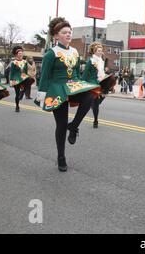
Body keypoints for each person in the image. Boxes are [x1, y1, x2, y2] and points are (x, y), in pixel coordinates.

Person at [35, 17, 100, 172]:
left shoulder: (75, 51)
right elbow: (44, 76)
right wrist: (41, 95)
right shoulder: (51, 54)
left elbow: (76, 73)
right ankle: (61, 157)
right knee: (61, 125)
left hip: (72, 85)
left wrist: (82, 86)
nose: (68, 34)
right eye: (64, 32)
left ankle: (74, 126)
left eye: (70, 32)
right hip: (57, 89)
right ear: (56, 36)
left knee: (90, 96)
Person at [82, 42, 115, 128]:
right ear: (94, 51)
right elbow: (85, 74)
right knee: (96, 103)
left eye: (101, 50)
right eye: (99, 50)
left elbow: (102, 72)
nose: (101, 52)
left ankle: (101, 96)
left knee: (112, 78)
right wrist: (82, 85)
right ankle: (95, 120)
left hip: (101, 81)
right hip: (93, 83)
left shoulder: (101, 60)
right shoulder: (90, 61)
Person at [9, 46, 35, 112]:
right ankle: (17, 106)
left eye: (21, 53)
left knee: (31, 79)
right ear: (16, 54)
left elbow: (26, 71)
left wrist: (27, 76)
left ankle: (22, 91)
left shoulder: (25, 62)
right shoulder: (13, 62)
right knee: (17, 95)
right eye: (19, 53)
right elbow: (12, 72)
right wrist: (11, 81)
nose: (21, 54)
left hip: (23, 77)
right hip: (16, 78)